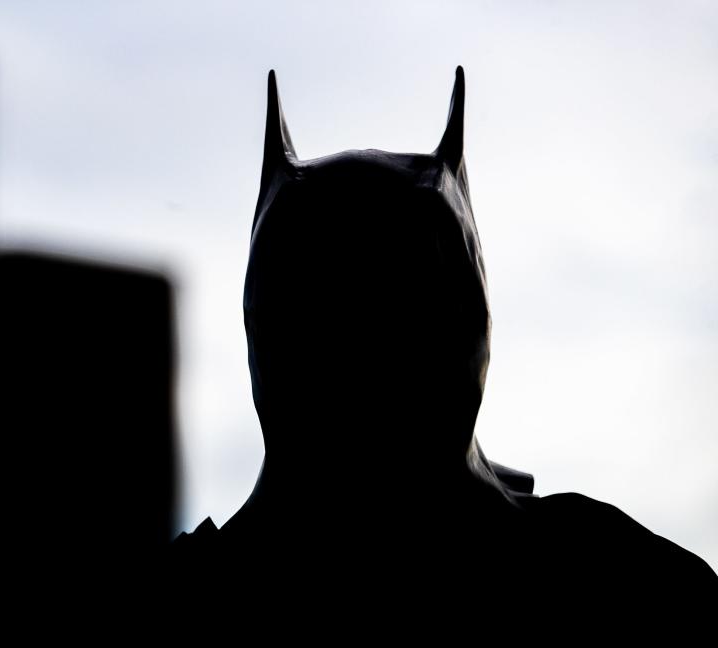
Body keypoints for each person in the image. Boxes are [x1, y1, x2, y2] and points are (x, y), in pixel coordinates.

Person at [173, 67, 717, 628]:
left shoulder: (626, 582)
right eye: (330, 313)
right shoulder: (620, 583)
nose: (365, 362)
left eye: (398, 311)